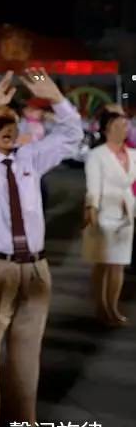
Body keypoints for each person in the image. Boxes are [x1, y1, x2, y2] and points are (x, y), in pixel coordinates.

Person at [0, 69, 82, 427]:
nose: (8, 128)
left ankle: (24, 421)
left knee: (27, 351)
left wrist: (56, 99)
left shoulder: (30, 158)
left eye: (13, 122)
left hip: (35, 267)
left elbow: (72, 136)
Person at [83, 109, 136, 326]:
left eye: (125, 126)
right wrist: (92, 211)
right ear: (106, 130)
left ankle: (113, 308)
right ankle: (101, 306)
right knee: (102, 264)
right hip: (104, 214)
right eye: (117, 126)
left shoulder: (133, 155)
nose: (123, 130)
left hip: (126, 214)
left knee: (118, 265)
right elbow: (93, 187)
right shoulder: (97, 156)